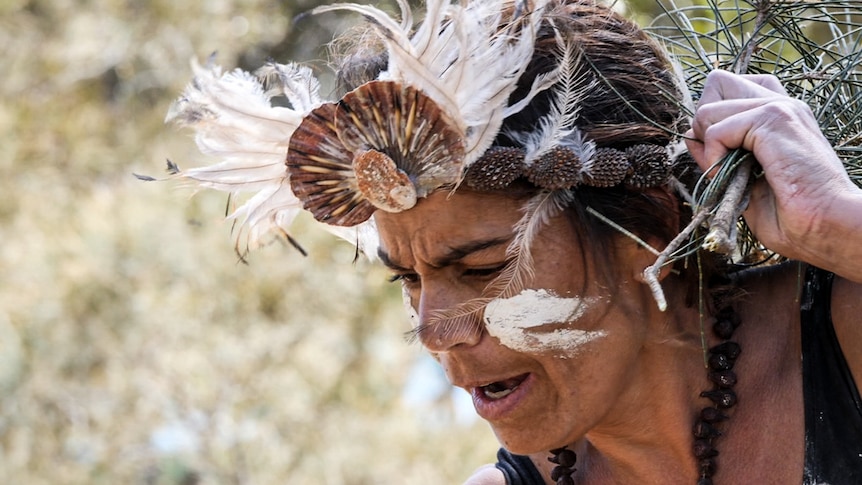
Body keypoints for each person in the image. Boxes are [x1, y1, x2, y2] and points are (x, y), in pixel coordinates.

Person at [156, 0, 862, 483]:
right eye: (407, 278)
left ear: (647, 228)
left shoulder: (843, 333)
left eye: (485, 265)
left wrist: (838, 223)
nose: (434, 330)